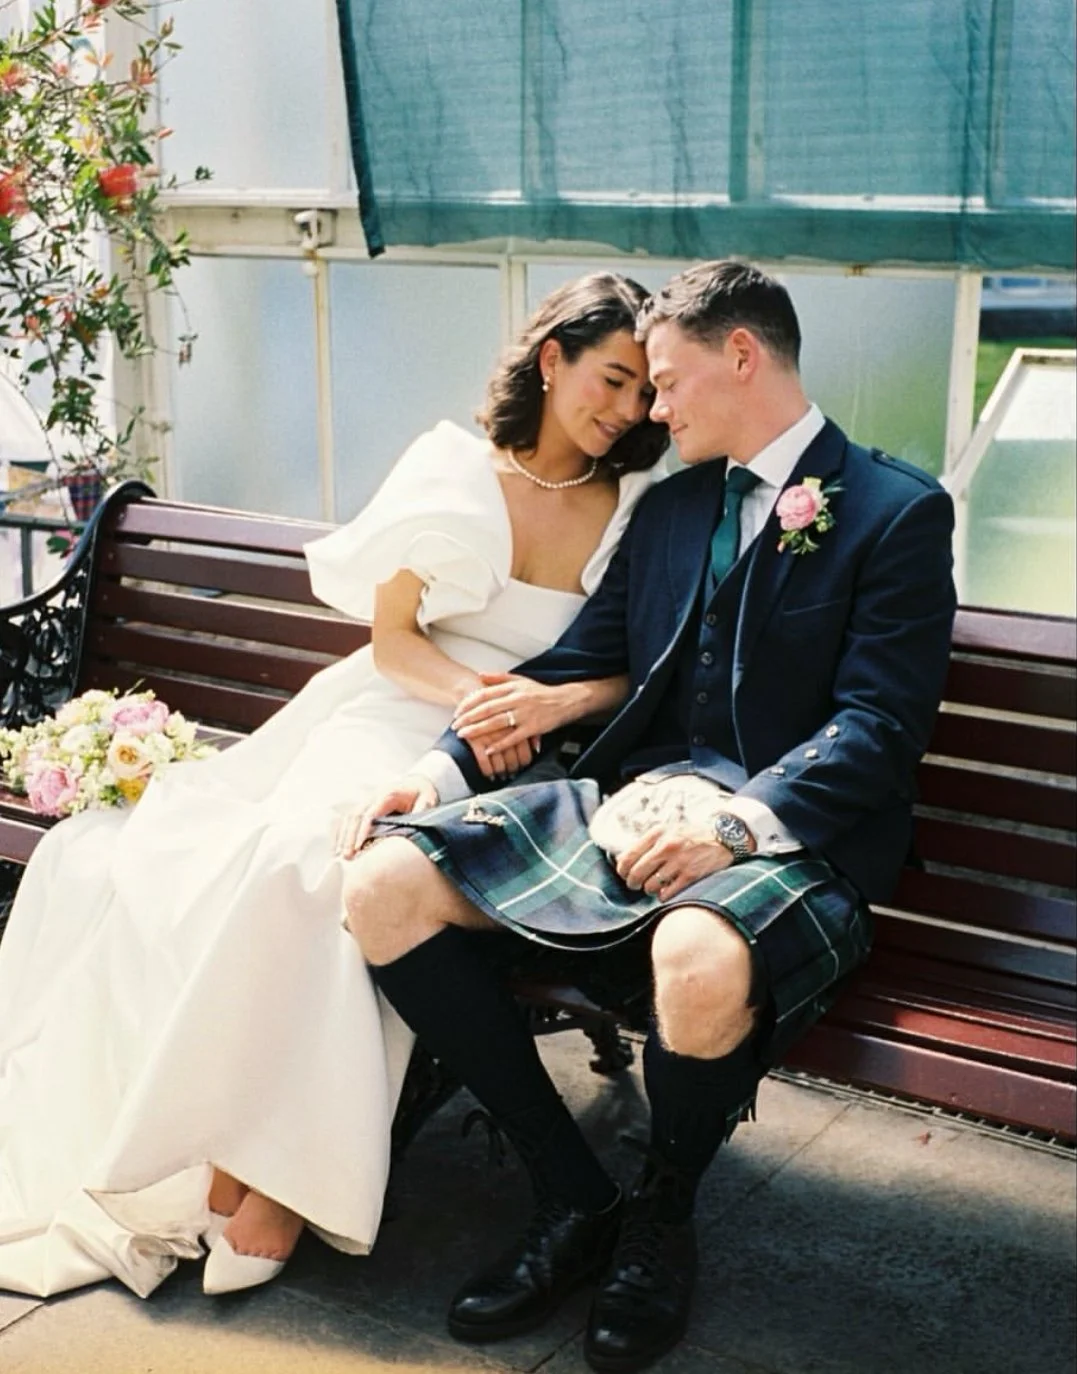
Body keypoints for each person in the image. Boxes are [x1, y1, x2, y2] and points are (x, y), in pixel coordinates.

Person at [0, 272, 669, 1300]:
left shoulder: (637, 507)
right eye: (612, 379)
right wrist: (478, 703)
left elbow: (641, 665)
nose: (626, 410)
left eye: (643, 393)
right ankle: (241, 1158)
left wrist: (537, 714)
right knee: (292, 861)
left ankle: (262, 1171)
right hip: (395, 712)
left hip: (524, 756)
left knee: (363, 882)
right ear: (552, 360)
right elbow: (394, 643)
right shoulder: (452, 469)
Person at [343, 260, 957, 1373]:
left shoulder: (894, 510)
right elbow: (569, 666)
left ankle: (660, 1219)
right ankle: (574, 1194)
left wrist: (737, 826)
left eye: (667, 383)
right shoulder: (672, 509)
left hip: (791, 837)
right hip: (636, 803)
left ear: (742, 356)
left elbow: (879, 725)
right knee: (384, 883)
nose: (652, 412)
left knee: (696, 953)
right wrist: (436, 776)